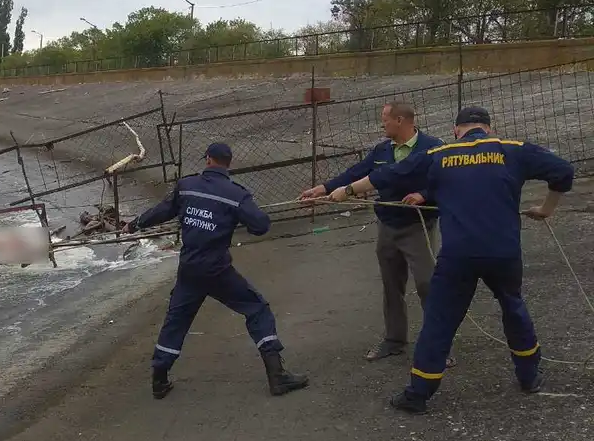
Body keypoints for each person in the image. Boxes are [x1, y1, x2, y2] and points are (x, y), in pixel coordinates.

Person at [327, 106, 574, 413]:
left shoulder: (440, 155)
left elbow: (387, 174)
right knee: (513, 307)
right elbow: (564, 171)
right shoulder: (513, 150)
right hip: (503, 252)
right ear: (488, 128)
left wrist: (347, 189)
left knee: (440, 320)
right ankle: (528, 376)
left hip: (459, 255)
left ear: (457, 130)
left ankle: (418, 394)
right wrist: (547, 208)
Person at [126, 142, 309, 399]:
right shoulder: (237, 194)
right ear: (228, 163)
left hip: (189, 269)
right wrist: (238, 215)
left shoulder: (186, 186)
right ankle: (277, 375)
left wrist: (135, 224)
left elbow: (163, 211)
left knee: (176, 321)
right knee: (256, 308)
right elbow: (261, 226)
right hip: (217, 271)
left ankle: (159, 380)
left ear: (208, 160)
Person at [299, 101, 453, 365]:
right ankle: (394, 340)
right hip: (388, 225)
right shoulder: (382, 150)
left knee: (428, 283)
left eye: (385, 120)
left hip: (418, 226)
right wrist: (323, 188)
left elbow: (446, 182)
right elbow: (357, 172)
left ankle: (439, 346)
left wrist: (424, 195)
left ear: (401, 120)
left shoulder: (432, 147)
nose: (382, 124)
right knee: (391, 284)